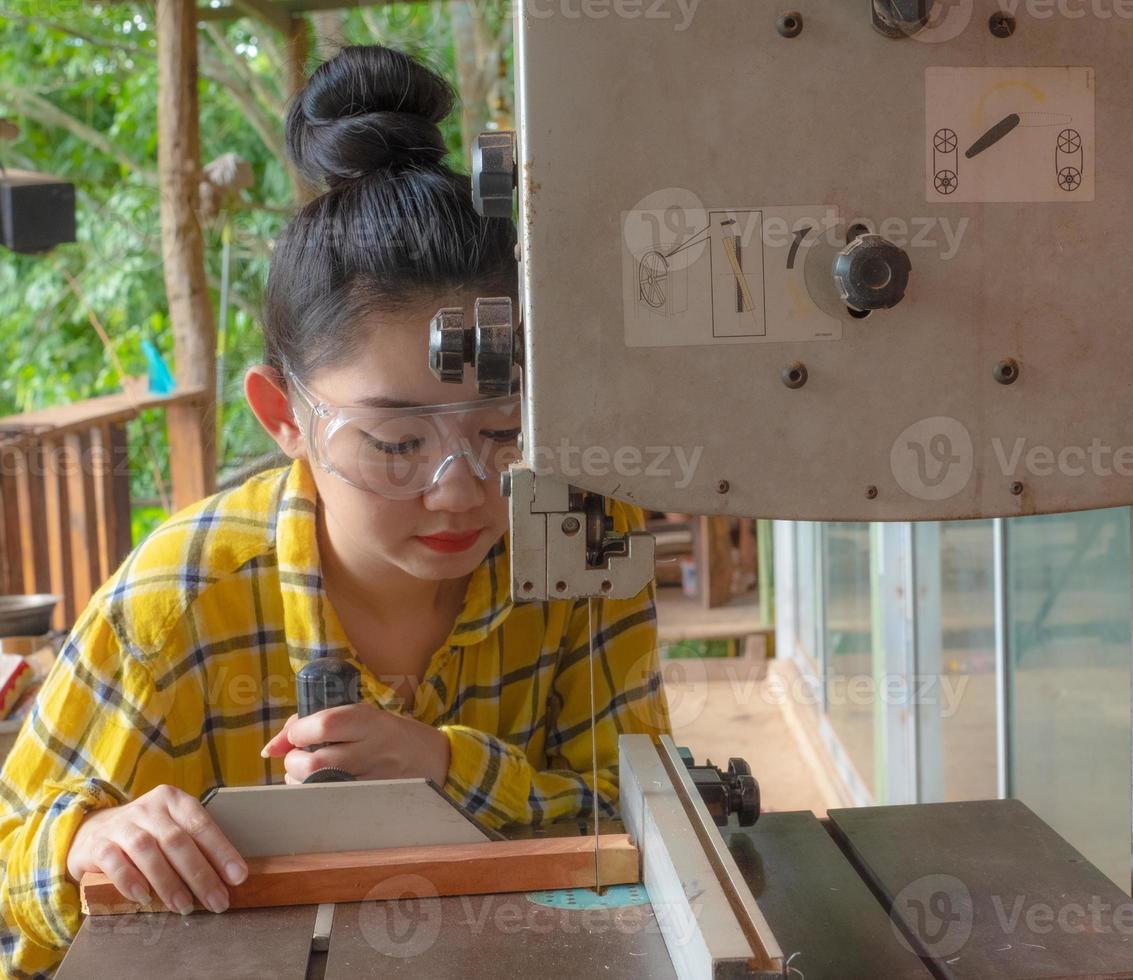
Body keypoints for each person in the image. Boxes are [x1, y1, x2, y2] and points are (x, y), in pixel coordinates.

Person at [0, 44, 668, 977]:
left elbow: (649, 809)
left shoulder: (584, 538)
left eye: (506, 428)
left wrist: (445, 765)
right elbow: (11, 852)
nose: (461, 488)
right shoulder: (180, 601)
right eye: (396, 443)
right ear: (285, 416)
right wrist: (86, 843)